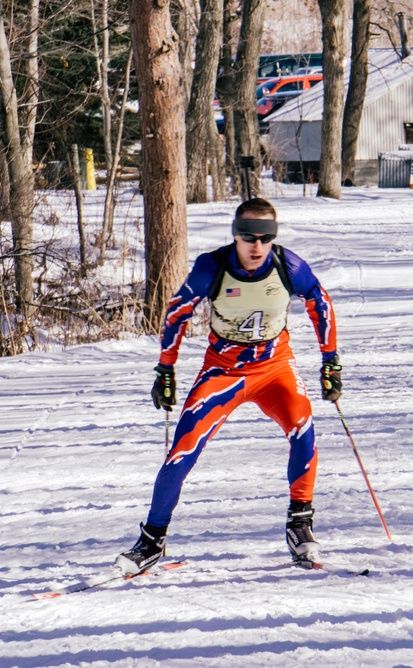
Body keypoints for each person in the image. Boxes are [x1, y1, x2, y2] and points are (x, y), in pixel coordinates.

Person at [114, 197, 342, 575]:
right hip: (223, 372)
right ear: (234, 234)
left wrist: (330, 360)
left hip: (275, 368)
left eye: (266, 236)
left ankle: (300, 524)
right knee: (182, 451)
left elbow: (320, 301)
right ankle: (152, 541)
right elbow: (176, 313)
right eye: (247, 236)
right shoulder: (213, 266)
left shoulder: (288, 265)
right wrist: (165, 370)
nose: (256, 246)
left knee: (303, 427)